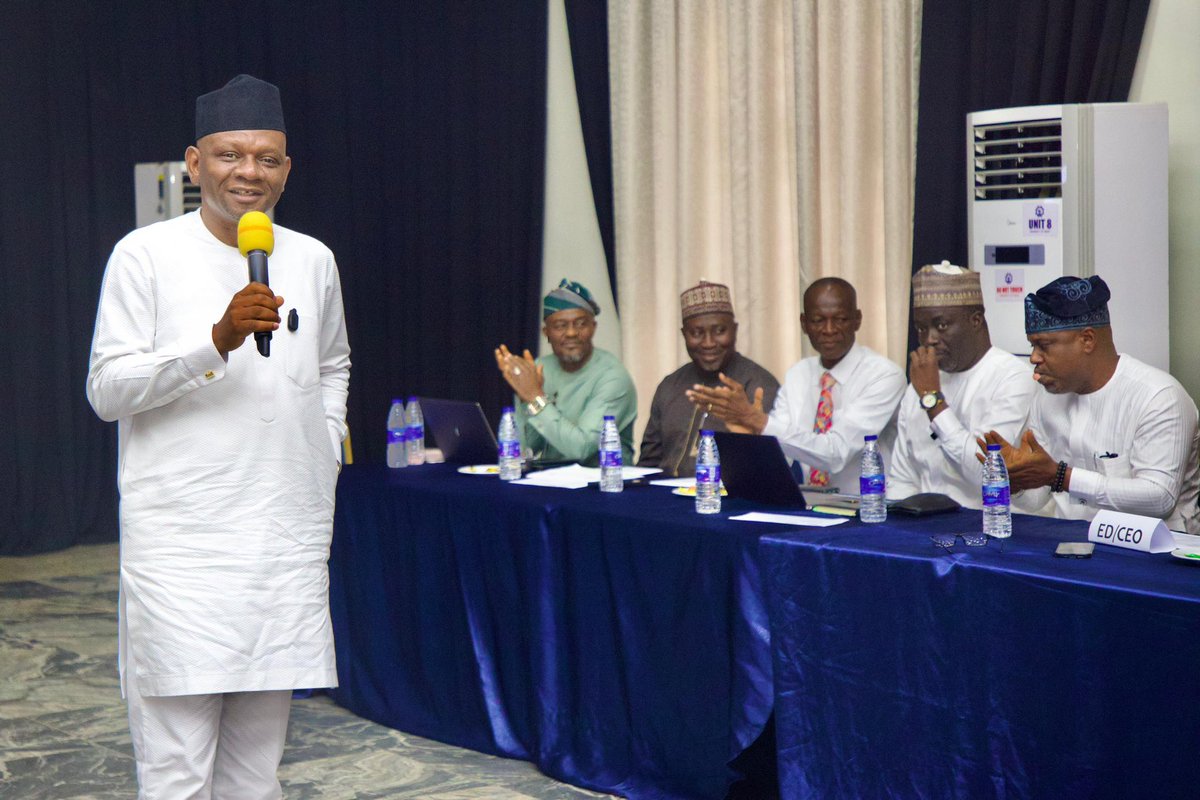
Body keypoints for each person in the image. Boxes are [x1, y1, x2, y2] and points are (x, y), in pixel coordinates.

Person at [86, 75, 351, 798]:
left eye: (267, 158)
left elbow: (333, 363)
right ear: (195, 164)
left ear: (287, 169)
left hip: (281, 549)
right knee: (176, 773)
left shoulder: (313, 258)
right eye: (231, 155)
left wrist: (323, 446)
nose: (250, 172)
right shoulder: (144, 255)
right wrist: (217, 340)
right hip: (185, 559)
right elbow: (107, 391)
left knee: (254, 775)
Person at [982, 275, 1200, 533]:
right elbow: (1039, 499)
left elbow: (1159, 497)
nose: (1033, 358)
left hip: (1156, 557)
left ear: (1087, 339)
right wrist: (1018, 481)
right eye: (1032, 346)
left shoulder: (1158, 396)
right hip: (1071, 547)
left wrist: (1061, 476)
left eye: (1043, 345)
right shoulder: (1047, 399)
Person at [688, 277, 905, 493]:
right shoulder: (798, 374)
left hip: (866, 509)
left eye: (840, 319)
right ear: (804, 324)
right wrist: (753, 437)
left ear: (857, 320)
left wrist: (759, 421)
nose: (829, 329)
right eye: (818, 320)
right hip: (806, 505)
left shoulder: (884, 376)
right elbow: (783, 454)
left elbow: (836, 453)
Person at [887, 262, 1035, 507]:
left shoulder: (1012, 378)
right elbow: (902, 478)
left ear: (976, 320)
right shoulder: (922, 381)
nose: (929, 339)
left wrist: (933, 401)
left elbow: (987, 475)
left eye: (941, 325)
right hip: (921, 531)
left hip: (988, 529)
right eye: (921, 328)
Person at [637, 281, 779, 476]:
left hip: (728, 501)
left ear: (735, 330)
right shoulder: (670, 386)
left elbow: (769, 471)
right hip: (666, 500)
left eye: (720, 331)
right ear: (684, 335)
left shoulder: (759, 386)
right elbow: (648, 464)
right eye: (696, 333)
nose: (709, 343)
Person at [495, 279, 636, 466]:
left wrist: (535, 396)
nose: (571, 333)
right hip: (551, 480)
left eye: (580, 324)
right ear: (546, 332)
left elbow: (582, 449)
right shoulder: (538, 368)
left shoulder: (613, 377)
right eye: (560, 325)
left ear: (593, 328)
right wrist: (525, 400)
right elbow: (524, 450)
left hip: (602, 484)